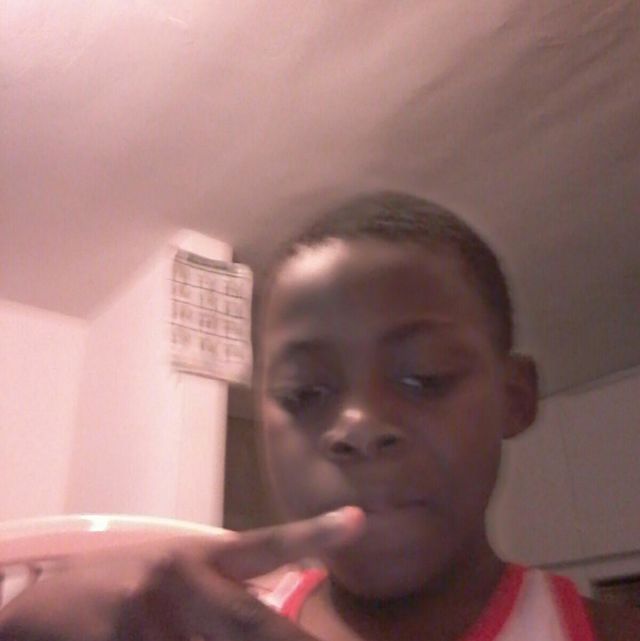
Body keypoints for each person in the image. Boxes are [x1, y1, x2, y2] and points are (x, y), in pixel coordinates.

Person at [1, 192, 638, 641]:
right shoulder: (183, 632)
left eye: (424, 377)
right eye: (305, 393)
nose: (357, 425)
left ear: (515, 398)